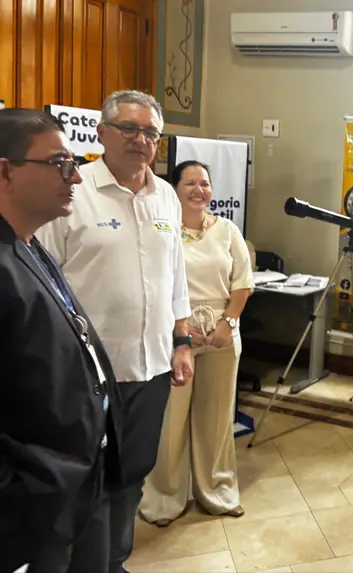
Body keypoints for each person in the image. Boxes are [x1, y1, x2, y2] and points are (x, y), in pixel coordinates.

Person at [37, 90, 193, 573]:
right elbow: (42, 280)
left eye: (150, 132)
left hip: (151, 369)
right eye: (129, 128)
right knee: (90, 481)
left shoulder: (165, 194)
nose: (140, 140)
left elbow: (176, 276)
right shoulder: (72, 193)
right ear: (102, 132)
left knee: (132, 476)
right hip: (88, 377)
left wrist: (182, 341)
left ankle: (114, 562)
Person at [0, 108, 123, 572]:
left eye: (74, 164)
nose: (74, 177)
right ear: (5, 170)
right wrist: (21, 491)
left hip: (81, 477)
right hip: (36, 498)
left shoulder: (30, 244)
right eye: (58, 164)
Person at [139, 160, 253, 527]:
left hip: (221, 334)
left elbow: (243, 283)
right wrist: (181, 332)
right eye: (190, 183)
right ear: (174, 188)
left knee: (217, 418)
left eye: (204, 183)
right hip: (176, 338)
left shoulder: (227, 230)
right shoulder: (162, 228)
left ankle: (217, 491)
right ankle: (165, 498)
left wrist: (227, 323)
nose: (198, 190)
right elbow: (156, 283)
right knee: (171, 421)